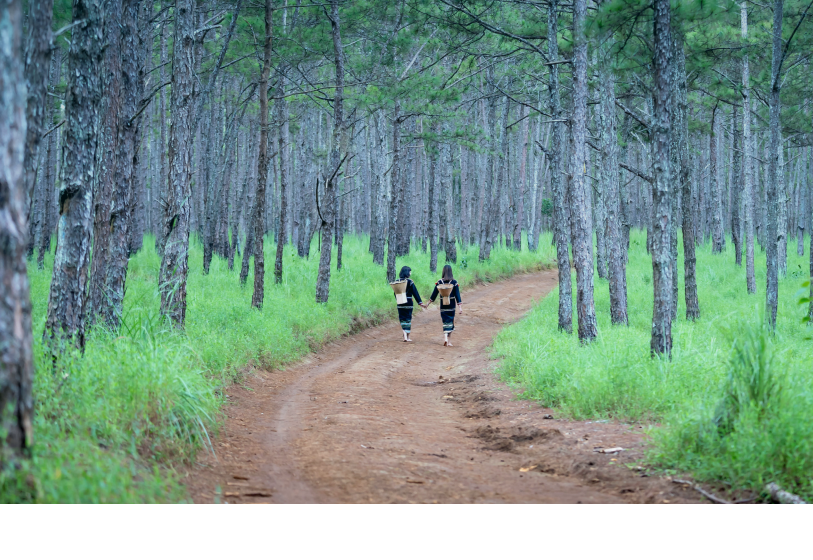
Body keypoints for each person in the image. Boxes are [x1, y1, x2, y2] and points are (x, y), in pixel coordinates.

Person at [428, 264, 463, 346]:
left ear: (443, 271)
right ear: (451, 272)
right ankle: (449, 341)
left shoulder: (439, 282)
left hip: (443, 304)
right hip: (451, 305)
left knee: (445, 321)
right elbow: (457, 295)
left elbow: (434, 294)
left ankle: (445, 338)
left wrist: (428, 303)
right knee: (451, 320)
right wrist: (460, 307)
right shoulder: (454, 282)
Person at [394, 266, 424, 342]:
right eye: (410, 271)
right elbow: (415, 293)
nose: (410, 273)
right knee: (408, 318)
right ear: (407, 272)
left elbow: (395, 293)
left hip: (400, 302)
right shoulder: (410, 282)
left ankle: (404, 333)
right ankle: (407, 336)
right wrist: (420, 302)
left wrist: (398, 300)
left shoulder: (397, 281)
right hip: (409, 302)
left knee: (402, 318)